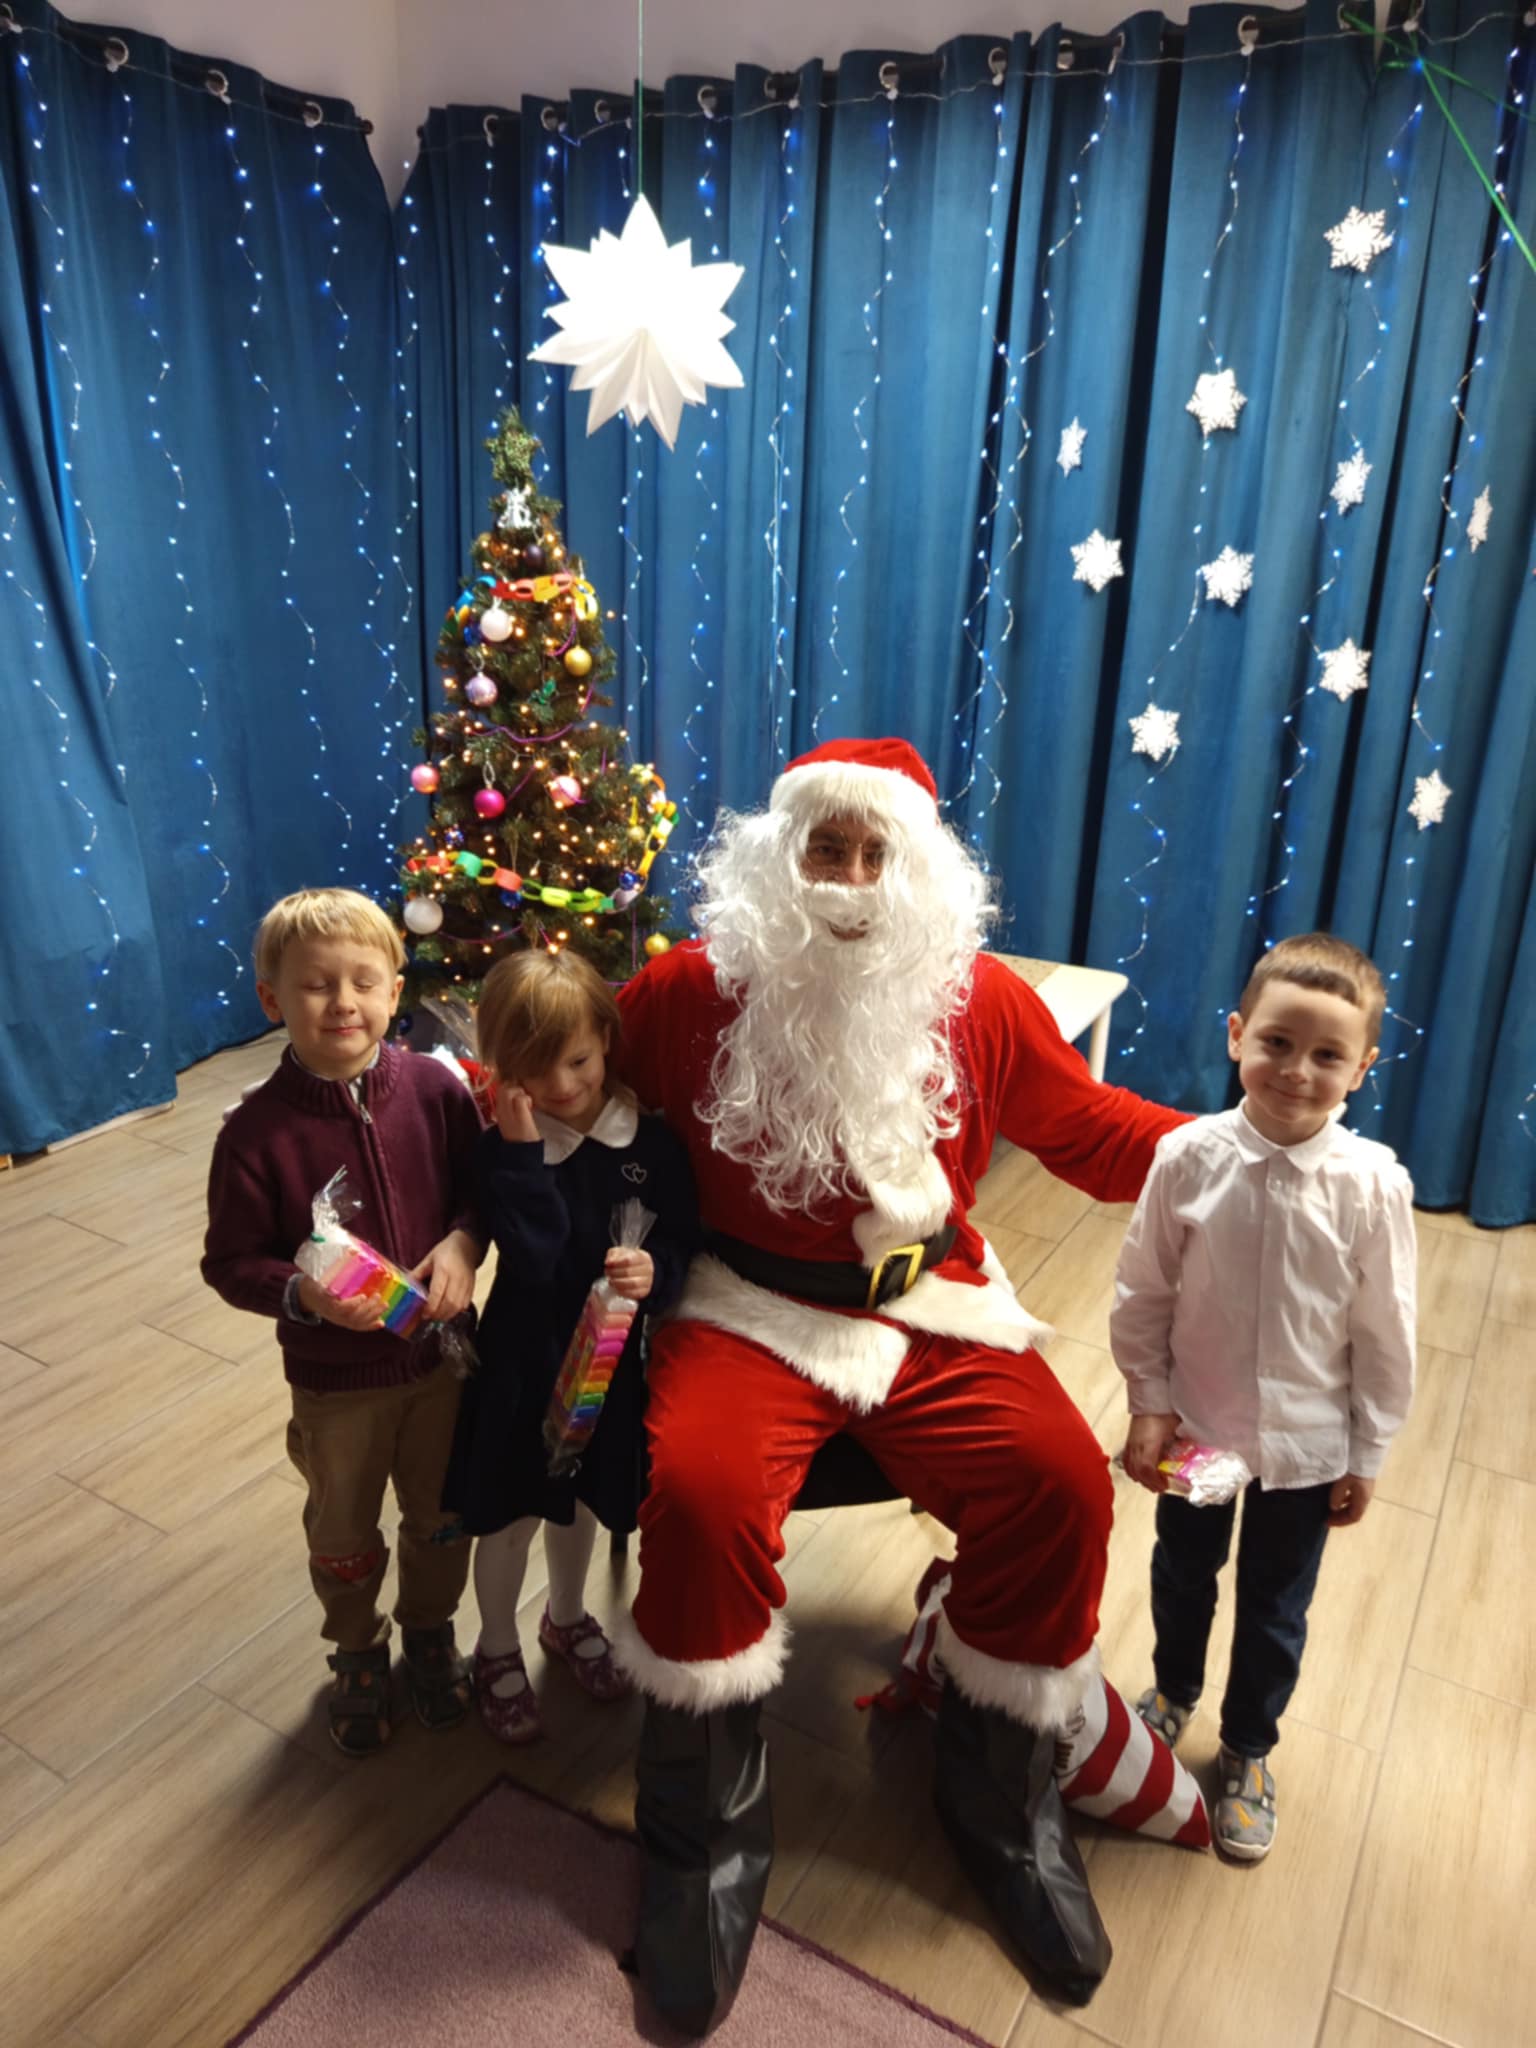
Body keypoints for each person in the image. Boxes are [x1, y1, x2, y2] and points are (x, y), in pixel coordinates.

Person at [609, 737, 1189, 2036]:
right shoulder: (687, 987)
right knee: (698, 1497)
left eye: (878, 853)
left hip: (929, 1303)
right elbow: (575, 1083)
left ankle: (1002, 1804)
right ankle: (703, 1843)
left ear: (917, 868)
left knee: (1057, 1481)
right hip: (747, 1306)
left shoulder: (976, 996)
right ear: (780, 857)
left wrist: (1240, 1146)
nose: (852, 879)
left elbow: (1089, 1130)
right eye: (827, 848)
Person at [1111, 932, 1416, 1863]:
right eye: (1278, 1042)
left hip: (1306, 1452)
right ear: (1238, 1033)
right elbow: (1144, 1288)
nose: (1297, 1071)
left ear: (1362, 1068)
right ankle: (1171, 1693)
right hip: (1201, 1429)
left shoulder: (1374, 1185)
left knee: (1277, 1603)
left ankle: (1247, 1748)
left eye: (1328, 1055)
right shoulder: (1187, 1157)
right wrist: (1149, 1402)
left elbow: (1385, 1331)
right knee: (1183, 1570)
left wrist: (1368, 1452)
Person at [202, 888, 484, 1758]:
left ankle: (431, 1631)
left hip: (441, 1367)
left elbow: (482, 1194)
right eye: (317, 984)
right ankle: (357, 1648)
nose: (343, 1003)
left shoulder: (436, 1091)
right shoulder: (254, 1133)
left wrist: (465, 1243)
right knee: (343, 1530)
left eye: (364, 981)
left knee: (441, 1515)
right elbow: (230, 1262)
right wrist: (303, 1294)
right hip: (336, 1387)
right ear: (271, 999)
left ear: (396, 991)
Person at [441, 949, 697, 1743]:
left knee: (580, 1500)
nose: (559, 1085)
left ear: (606, 1040)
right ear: (502, 1070)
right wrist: (522, 1153)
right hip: (524, 1364)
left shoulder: (650, 1145)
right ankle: (494, 1646)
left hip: (609, 1366)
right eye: (533, 1070)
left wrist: (657, 1271)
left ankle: (566, 1613)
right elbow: (535, 1256)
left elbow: (684, 1241)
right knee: (511, 1514)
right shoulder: (503, 1149)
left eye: (578, 1061)